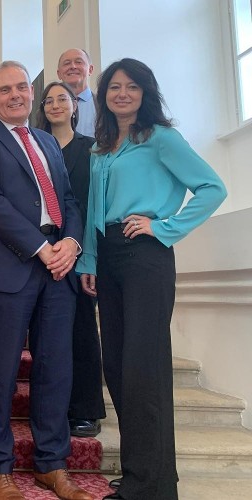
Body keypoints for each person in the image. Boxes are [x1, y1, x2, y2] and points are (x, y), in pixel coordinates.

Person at [76, 58, 227, 500]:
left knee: (145, 371)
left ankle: (149, 487)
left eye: (132, 87)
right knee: (118, 369)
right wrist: (89, 261)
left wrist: (164, 228)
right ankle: (144, 474)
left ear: (146, 93)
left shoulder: (161, 139)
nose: (122, 94)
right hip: (108, 257)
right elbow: (93, 210)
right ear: (103, 96)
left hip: (145, 257)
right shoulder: (102, 147)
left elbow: (212, 188)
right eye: (114, 87)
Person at [0, 61, 93, 500]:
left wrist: (71, 242)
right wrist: (40, 248)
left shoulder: (47, 141)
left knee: (56, 369)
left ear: (31, 95)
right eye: (5, 90)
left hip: (58, 268)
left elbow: (69, 198)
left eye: (21, 87)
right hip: (10, 267)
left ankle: (51, 464)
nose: (15, 94)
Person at [35, 81, 106, 439]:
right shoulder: (35, 145)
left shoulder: (91, 148)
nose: (55, 105)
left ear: (75, 107)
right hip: (41, 251)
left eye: (62, 99)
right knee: (46, 336)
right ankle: (52, 406)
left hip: (78, 251)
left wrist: (85, 253)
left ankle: (85, 408)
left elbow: (94, 205)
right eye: (49, 100)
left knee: (81, 333)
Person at [57, 49, 96, 136]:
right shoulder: (48, 107)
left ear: (90, 69)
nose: (73, 66)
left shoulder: (103, 104)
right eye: (67, 63)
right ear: (59, 73)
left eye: (78, 62)